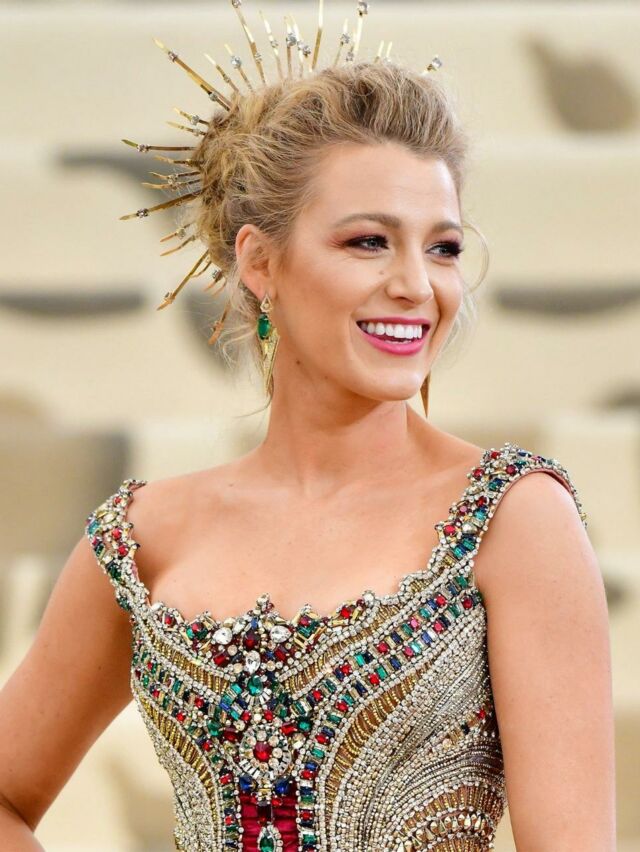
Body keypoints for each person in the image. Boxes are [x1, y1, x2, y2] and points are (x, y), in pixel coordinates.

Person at [0, 2, 615, 850]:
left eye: (442, 248)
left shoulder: (512, 517)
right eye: (369, 242)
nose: (417, 285)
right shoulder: (144, 539)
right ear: (260, 262)